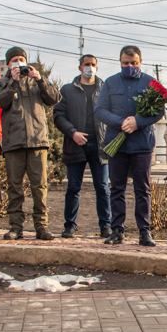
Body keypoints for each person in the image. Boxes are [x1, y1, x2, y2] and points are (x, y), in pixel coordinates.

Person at [95, 45, 160, 246]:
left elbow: (158, 112)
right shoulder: (111, 83)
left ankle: (144, 231)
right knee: (117, 188)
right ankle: (117, 230)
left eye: (133, 63)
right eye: (125, 63)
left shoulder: (151, 82)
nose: (129, 66)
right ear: (120, 62)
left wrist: (138, 122)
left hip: (141, 144)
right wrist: (120, 122)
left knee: (143, 189)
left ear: (140, 62)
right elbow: (100, 110)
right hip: (117, 143)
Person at [0, 46, 60, 241]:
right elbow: (1, 102)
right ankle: (16, 227)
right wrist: (13, 82)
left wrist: (39, 79)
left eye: (21, 59)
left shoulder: (36, 81)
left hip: (37, 141)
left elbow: (53, 98)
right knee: (14, 187)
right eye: (14, 60)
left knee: (39, 187)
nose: (19, 63)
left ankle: (42, 226)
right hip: (14, 142)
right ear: (8, 63)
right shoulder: (1, 83)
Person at [54, 53, 111, 239]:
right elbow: (58, 116)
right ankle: (70, 225)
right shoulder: (68, 90)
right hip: (75, 144)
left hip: (100, 145)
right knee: (73, 187)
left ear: (97, 66)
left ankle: (106, 226)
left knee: (102, 186)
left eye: (93, 64)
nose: (90, 67)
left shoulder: (105, 89)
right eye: (86, 64)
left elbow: (112, 114)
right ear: (79, 67)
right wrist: (73, 132)